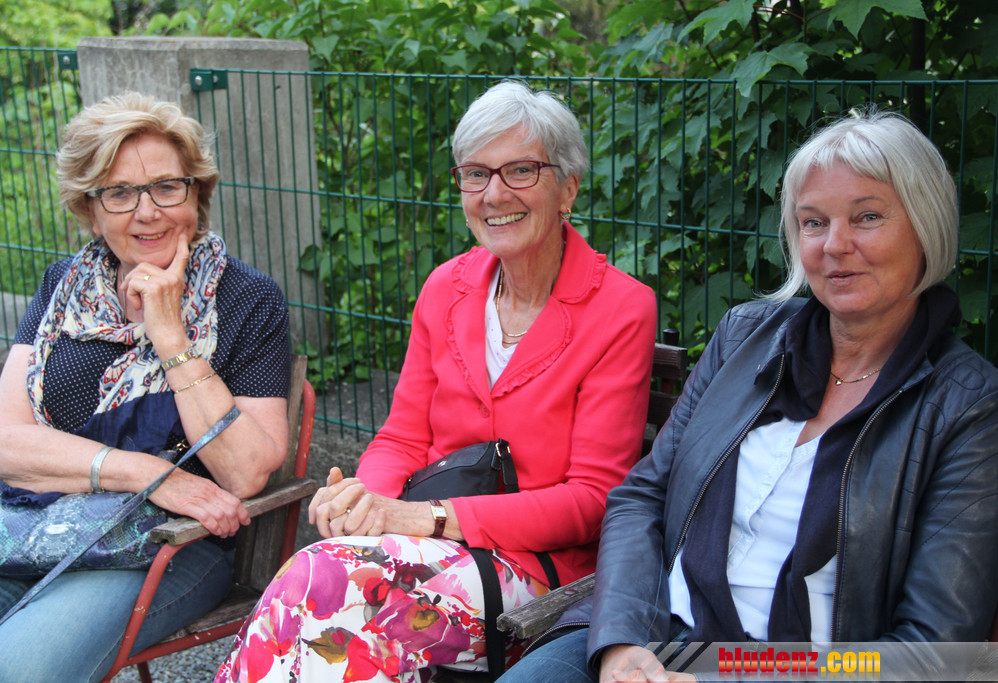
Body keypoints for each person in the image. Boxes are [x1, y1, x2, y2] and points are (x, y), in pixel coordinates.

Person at [498, 108, 998, 683]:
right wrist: (622, 644)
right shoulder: (745, 339)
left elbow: (931, 654)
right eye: (813, 222)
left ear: (926, 226)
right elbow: (642, 497)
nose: (835, 244)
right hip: (649, 632)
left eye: (867, 217)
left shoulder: (969, 407)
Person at [215, 80, 658, 682]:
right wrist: (367, 502)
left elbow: (591, 500)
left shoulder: (620, 309)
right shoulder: (446, 287)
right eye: (475, 174)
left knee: (323, 586)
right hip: (426, 552)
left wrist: (427, 519)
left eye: (521, 170)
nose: (494, 194)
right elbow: (401, 437)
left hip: (539, 575)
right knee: (325, 609)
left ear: (568, 188)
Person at [0, 92, 291, 682]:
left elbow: (244, 473)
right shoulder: (63, 288)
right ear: (91, 210)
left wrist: (169, 331)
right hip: (26, 525)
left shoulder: (248, 300)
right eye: (119, 193)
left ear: (197, 194)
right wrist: (147, 473)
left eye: (166, 187)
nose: (147, 212)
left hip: (164, 547)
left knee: (17, 667)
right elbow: (6, 441)